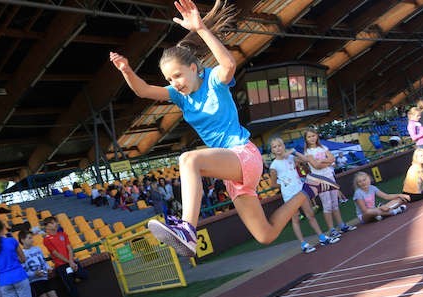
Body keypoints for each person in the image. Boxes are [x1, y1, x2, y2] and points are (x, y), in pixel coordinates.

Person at [109, 0, 337, 256]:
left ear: (194, 68)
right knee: (265, 234)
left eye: (178, 76)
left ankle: (187, 229)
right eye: (169, 79)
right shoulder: (179, 96)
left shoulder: (214, 80)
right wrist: (127, 70)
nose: (175, 83)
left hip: (243, 155)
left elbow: (228, 65)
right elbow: (143, 90)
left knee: (188, 159)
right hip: (232, 174)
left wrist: (201, 28)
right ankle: (311, 188)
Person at [269, 137, 339, 253]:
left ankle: (322, 237)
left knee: (310, 214)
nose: (278, 148)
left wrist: (294, 151)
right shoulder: (274, 166)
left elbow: (306, 160)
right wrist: (284, 184)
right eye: (274, 147)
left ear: (284, 146)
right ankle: (303, 244)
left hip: (301, 191)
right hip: (289, 196)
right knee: (295, 219)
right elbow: (272, 184)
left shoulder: (291, 157)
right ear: (272, 150)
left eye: (279, 145)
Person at [302, 129, 356, 239]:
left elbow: (332, 159)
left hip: (330, 177)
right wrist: (326, 162)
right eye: (309, 137)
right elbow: (316, 166)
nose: (312, 138)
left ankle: (341, 225)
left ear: (317, 136)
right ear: (306, 139)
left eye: (313, 135)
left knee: (335, 203)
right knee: (327, 205)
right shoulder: (307, 153)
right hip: (320, 180)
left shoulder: (323, 148)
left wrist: (323, 162)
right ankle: (331, 229)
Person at [42, 217, 92, 297]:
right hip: (62, 266)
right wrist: (69, 262)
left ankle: (75, 278)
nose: (55, 224)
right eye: (52, 223)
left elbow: (69, 248)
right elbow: (55, 253)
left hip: (71, 262)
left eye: (55, 222)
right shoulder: (46, 239)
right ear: (47, 226)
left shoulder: (63, 234)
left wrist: (72, 261)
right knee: (72, 289)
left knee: (85, 275)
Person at [19, 230, 67, 297]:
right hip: (34, 281)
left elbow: (44, 262)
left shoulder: (37, 249)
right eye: (29, 238)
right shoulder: (21, 254)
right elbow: (23, 271)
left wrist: (48, 268)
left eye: (31, 237)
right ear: (22, 240)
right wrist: (34, 274)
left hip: (44, 277)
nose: (32, 240)